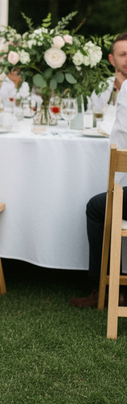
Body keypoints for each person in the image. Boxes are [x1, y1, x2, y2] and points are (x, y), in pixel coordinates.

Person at [70, 32, 127, 308]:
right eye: (123, 54)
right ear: (111, 59)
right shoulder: (104, 86)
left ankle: (101, 287)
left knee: (97, 206)